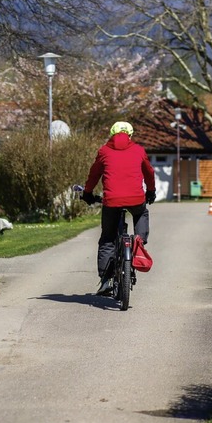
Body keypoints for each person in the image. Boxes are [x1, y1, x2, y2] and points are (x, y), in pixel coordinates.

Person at [82, 121, 156, 295]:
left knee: (108, 238)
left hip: (111, 201)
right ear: (130, 135)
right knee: (141, 212)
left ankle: (106, 280)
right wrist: (151, 191)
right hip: (136, 199)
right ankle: (139, 242)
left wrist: (87, 193)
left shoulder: (104, 151)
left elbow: (94, 174)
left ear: (112, 134)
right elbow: (149, 172)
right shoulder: (138, 150)